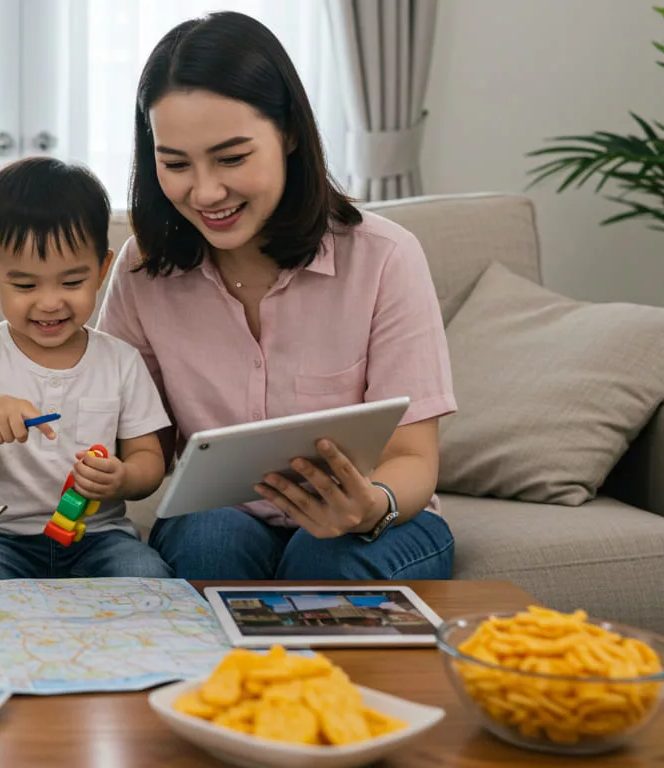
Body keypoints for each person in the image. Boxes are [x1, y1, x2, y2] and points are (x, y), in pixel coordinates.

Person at [97, 12, 457, 580]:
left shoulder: (385, 257)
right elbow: (137, 444)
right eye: (175, 164)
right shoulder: (144, 272)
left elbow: (413, 458)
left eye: (232, 158)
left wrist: (371, 504)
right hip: (221, 518)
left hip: (381, 519)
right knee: (209, 539)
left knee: (325, 556)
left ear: (288, 131)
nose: (206, 192)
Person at [0, 157, 174, 580]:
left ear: (102, 270)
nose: (50, 302)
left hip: (99, 537)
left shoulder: (121, 360)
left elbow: (149, 458)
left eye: (72, 282)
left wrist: (124, 477)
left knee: (147, 577)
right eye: (25, 285)